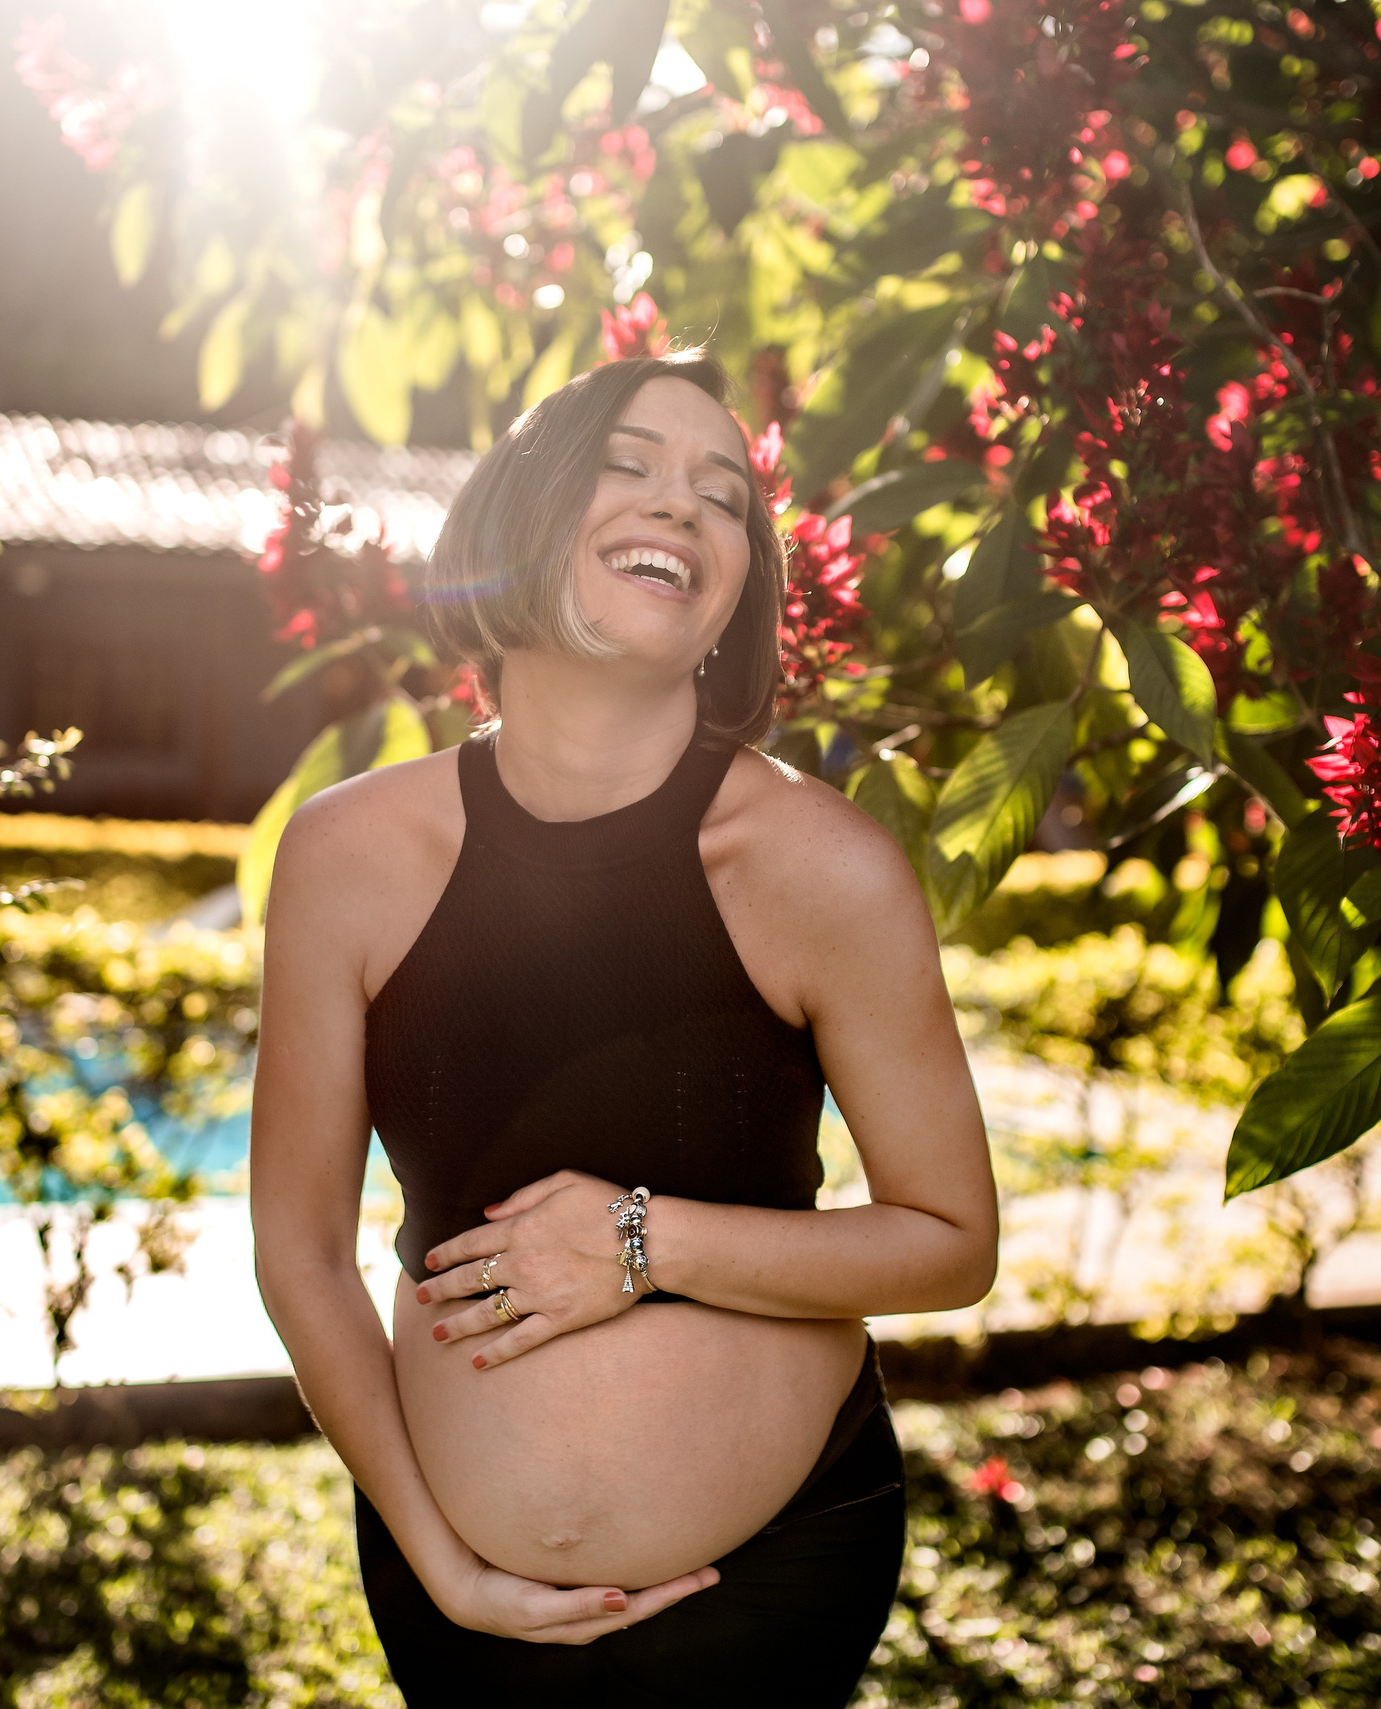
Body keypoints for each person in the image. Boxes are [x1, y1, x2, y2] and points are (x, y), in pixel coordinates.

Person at [250, 349, 998, 1705]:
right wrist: (436, 1554)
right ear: (522, 515)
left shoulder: (823, 868)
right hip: (451, 1592)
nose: (686, 507)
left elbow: (953, 1242)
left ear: (733, 600)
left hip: (771, 1580)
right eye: (631, 464)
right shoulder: (345, 852)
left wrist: (642, 1243)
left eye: (726, 497)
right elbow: (298, 1247)